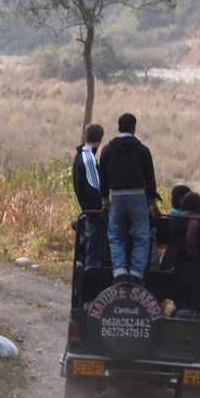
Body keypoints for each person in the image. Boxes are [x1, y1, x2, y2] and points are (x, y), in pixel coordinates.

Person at [99, 112, 161, 283]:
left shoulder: (107, 150)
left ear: (118, 128)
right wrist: (153, 201)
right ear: (134, 128)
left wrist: (105, 201)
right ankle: (135, 273)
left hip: (117, 196)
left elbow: (102, 177)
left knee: (115, 235)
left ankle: (119, 270)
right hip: (138, 196)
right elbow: (150, 177)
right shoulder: (142, 150)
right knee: (142, 236)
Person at [72, 123, 105, 270]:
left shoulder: (80, 155)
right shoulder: (89, 158)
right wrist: (104, 205)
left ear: (86, 136)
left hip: (88, 210)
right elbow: (95, 187)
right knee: (93, 254)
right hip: (94, 213)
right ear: (100, 140)